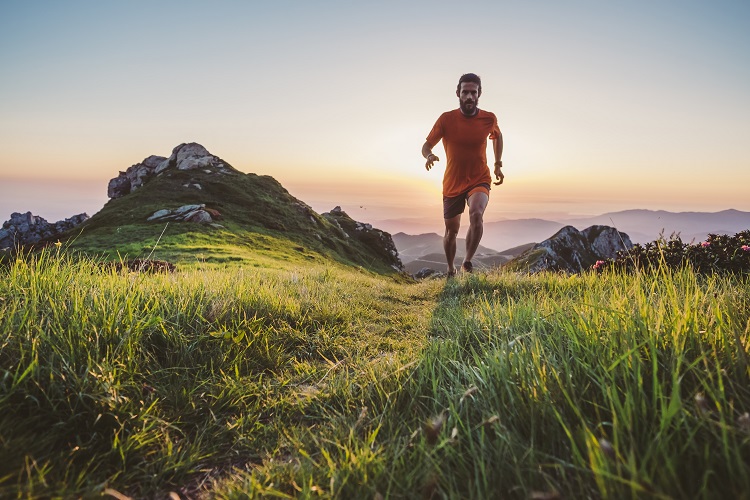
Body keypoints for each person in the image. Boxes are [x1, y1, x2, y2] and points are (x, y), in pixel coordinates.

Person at [422, 73, 504, 276]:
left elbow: (497, 136)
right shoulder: (446, 119)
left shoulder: (488, 118)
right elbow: (426, 145)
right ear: (458, 93)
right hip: (452, 182)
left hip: (479, 178)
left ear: (479, 94)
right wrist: (429, 155)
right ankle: (451, 269)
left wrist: (498, 164)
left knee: (476, 213)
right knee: (451, 232)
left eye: (473, 92)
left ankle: (467, 262)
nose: (469, 96)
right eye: (465, 92)